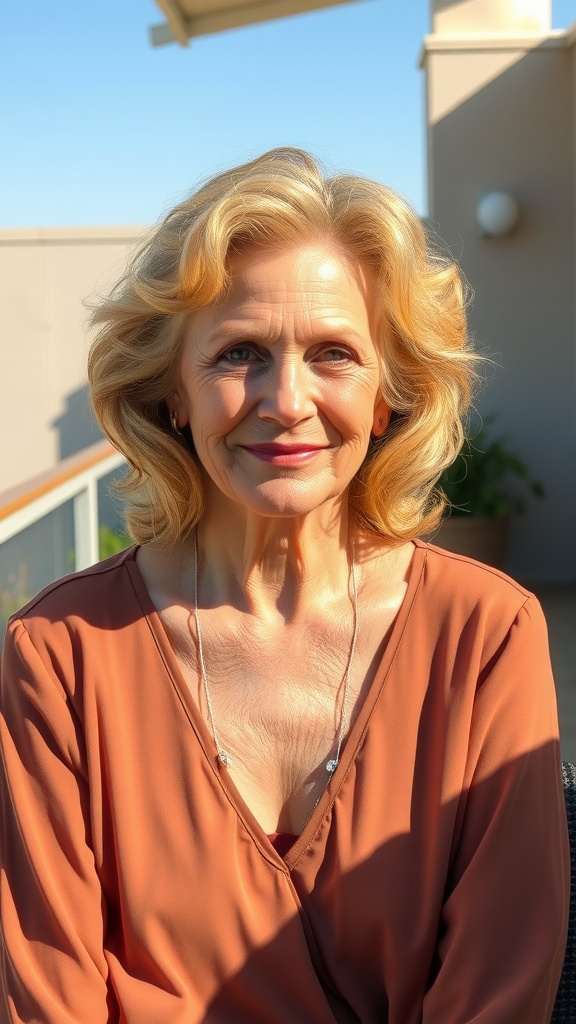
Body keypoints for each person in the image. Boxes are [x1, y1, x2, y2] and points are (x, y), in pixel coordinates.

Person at [0, 148, 569, 1023]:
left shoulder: (486, 635)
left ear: (388, 396)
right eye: (239, 354)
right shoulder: (62, 654)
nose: (286, 400)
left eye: (335, 353)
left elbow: (499, 994)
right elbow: (47, 1000)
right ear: (173, 393)